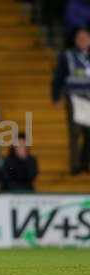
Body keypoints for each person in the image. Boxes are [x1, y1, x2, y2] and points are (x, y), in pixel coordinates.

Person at [52, 27, 90, 174]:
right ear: (75, 40)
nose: (82, 40)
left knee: (88, 133)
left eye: (85, 37)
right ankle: (74, 166)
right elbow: (59, 76)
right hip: (74, 98)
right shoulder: (68, 55)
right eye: (80, 38)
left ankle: (84, 162)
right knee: (75, 132)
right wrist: (56, 96)